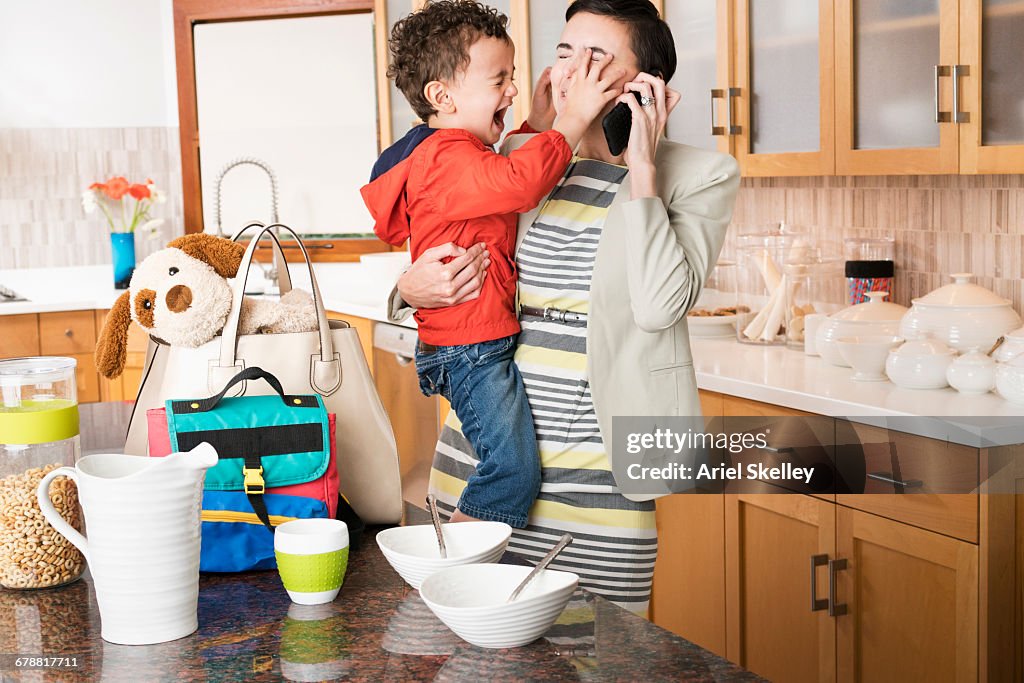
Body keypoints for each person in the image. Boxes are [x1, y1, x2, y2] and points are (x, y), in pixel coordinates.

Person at [391, 0, 741, 615]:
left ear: (644, 84)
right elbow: (442, 252)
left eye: (598, 58)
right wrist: (406, 292)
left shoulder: (699, 174)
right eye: (564, 52)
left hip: (598, 493)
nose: (575, 71)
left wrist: (642, 169)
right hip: (480, 471)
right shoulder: (519, 158)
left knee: (592, 663)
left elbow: (660, 305)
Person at [361, 0, 623, 528]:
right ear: (443, 97)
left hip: (473, 345)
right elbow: (518, 184)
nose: (511, 89)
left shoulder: (456, 153)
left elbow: (500, 172)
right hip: (470, 350)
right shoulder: (443, 157)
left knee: (506, 465)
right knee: (512, 471)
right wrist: (569, 121)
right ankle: (454, 565)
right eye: (498, 79)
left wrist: (539, 124)